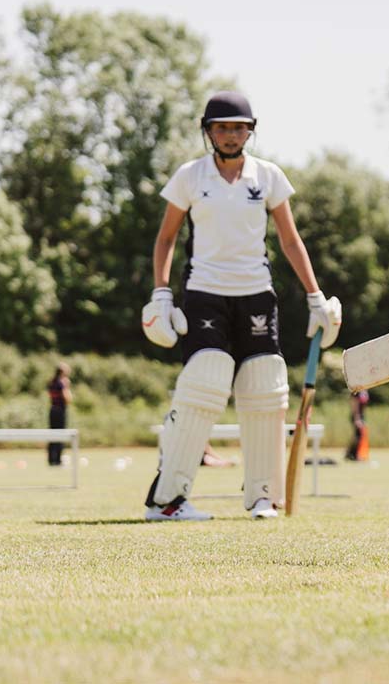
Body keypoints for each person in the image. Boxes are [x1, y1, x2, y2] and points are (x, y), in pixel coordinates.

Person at [141, 91, 342, 522]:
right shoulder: (190, 177)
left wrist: (315, 296)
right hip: (204, 293)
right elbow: (165, 239)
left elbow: (289, 239)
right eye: (222, 127)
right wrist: (161, 292)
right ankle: (167, 501)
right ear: (208, 131)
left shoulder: (267, 176)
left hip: (256, 294)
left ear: (250, 131)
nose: (231, 135)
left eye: (239, 127)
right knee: (204, 382)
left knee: (265, 389)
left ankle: (263, 497)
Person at [45, 363, 72, 466]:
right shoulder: (62, 383)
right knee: (61, 435)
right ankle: (58, 460)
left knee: (52, 434)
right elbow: (68, 399)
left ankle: (51, 459)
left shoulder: (51, 382)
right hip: (60, 410)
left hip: (52, 410)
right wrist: (67, 387)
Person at [346, 389, 369, 461]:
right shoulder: (356, 390)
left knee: (358, 435)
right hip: (357, 416)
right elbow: (354, 404)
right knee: (358, 435)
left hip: (361, 416)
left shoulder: (364, 389)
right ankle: (353, 455)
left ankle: (351, 454)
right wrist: (357, 418)